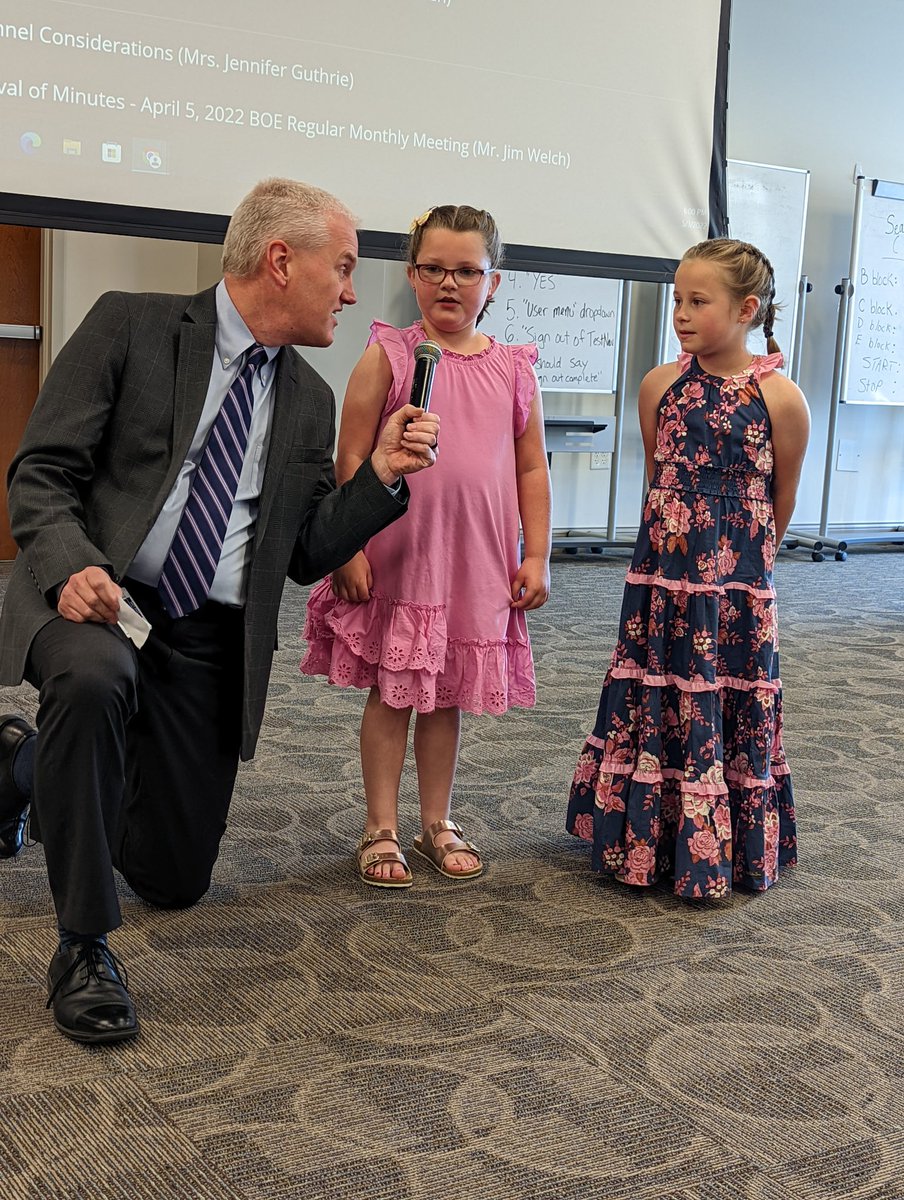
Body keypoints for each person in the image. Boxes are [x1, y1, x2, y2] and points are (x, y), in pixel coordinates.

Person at [0, 177, 440, 1043]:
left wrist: (380, 475)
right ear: (282, 260)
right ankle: (83, 948)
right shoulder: (132, 323)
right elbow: (41, 474)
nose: (353, 293)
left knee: (173, 878)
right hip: (101, 602)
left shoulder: (308, 400)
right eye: (344, 268)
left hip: (211, 635)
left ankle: (20, 765)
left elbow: (308, 551)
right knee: (92, 688)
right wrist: (71, 569)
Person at [301, 204, 552, 887]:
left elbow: (531, 467)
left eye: (467, 270)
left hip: (474, 563)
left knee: (444, 699)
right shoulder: (389, 355)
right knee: (392, 693)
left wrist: (536, 554)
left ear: (492, 282)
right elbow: (349, 455)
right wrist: (346, 547)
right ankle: (379, 825)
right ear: (412, 275)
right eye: (434, 268)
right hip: (401, 557)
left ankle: (435, 820)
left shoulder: (514, 369)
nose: (450, 283)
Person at [567, 238, 810, 899]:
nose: (681, 312)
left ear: (747, 309)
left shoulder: (781, 399)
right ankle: (646, 836)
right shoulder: (660, 385)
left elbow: (780, 498)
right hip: (665, 582)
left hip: (736, 590)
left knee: (724, 691)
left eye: (698, 301)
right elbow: (658, 480)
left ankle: (722, 844)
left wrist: (747, 569)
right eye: (677, 299)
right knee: (662, 689)